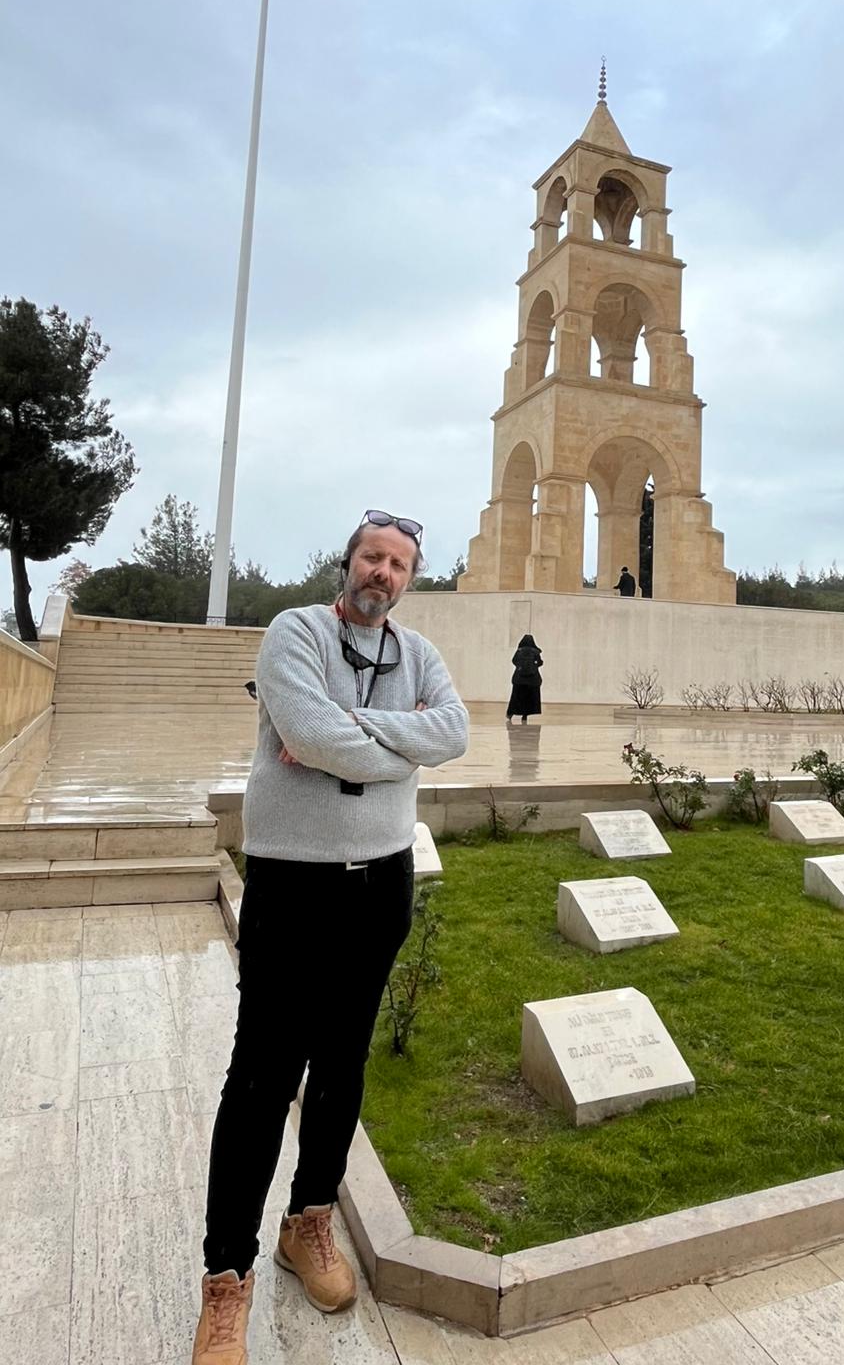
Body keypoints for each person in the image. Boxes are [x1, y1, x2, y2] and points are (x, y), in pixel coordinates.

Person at [192, 510, 469, 1365]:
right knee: (263, 1077)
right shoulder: (296, 633)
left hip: (378, 882)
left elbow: (453, 731)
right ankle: (225, 1276)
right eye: (372, 556)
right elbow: (306, 733)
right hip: (293, 882)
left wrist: (352, 737)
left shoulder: (419, 654)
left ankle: (309, 1222)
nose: (382, 572)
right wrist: (390, 740)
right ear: (346, 562)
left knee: (343, 1063)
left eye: (399, 564)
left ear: (409, 579)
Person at [506, 632, 543, 725]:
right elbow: (540, 662)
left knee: (516, 697)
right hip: (532, 680)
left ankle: (510, 713)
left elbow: (514, 660)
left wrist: (520, 666)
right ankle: (525, 715)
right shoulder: (536, 652)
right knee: (528, 699)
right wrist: (534, 665)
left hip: (519, 679)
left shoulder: (519, 651)